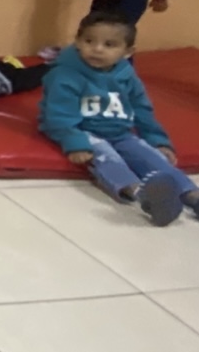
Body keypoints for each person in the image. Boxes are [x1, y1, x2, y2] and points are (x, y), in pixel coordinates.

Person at [39, 12, 198, 226]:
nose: (97, 49)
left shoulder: (126, 75)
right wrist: (75, 142)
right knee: (108, 158)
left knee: (152, 158)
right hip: (86, 132)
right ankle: (141, 194)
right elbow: (58, 114)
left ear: (127, 51)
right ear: (77, 42)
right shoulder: (64, 74)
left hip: (121, 133)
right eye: (89, 41)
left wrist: (157, 140)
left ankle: (191, 196)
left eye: (109, 44)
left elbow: (142, 109)